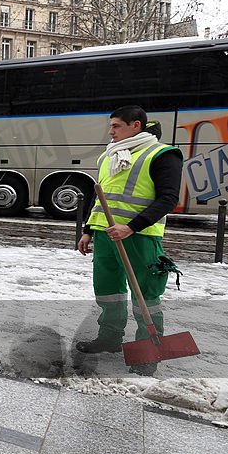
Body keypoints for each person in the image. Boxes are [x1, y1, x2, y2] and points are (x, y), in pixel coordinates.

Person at [76, 105, 184, 376]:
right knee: (108, 290)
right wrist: (88, 229)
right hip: (105, 236)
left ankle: (147, 350)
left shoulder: (162, 154)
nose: (110, 131)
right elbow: (101, 197)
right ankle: (110, 339)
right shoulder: (109, 156)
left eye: (116, 126)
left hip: (140, 237)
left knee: (146, 294)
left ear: (136, 126)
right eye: (110, 126)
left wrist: (132, 227)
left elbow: (168, 198)